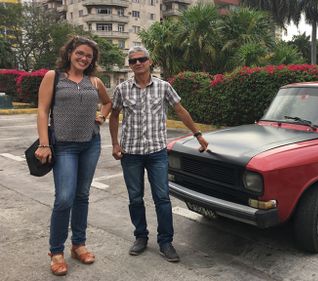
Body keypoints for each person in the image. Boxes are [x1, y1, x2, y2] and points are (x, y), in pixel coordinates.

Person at [109, 46, 208, 262]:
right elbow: (114, 115)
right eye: (133, 60)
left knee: (162, 198)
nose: (138, 63)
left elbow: (181, 111)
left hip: (157, 153)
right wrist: (115, 144)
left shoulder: (164, 87)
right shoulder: (122, 89)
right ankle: (141, 237)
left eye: (141, 59)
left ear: (150, 61)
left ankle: (166, 242)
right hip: (131, 153)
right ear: (129, 65)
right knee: (135, 198)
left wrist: (198, 134)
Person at [35, 36, 112, 276]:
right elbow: (42, 110)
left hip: (91, 143)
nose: (83, 58)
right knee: (65, 198)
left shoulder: (94, 81)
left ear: (93, 60)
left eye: (88, 56)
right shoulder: (53, 77)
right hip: (64, 146)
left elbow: (107, 103)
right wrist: (44, 144)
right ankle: (56, 250)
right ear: (70, 53)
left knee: (82, 195)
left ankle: (78, 244)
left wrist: (101, 117)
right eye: (79, 53)